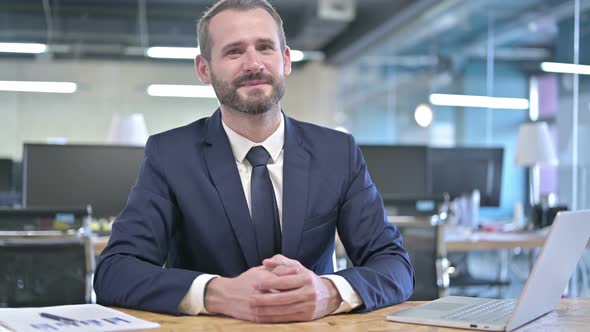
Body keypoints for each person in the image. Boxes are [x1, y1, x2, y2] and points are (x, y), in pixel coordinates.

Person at [94, 0, 414, 323]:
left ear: (285, 60)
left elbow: (394, 265)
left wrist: (328, 292)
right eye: (234, 51)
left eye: (265, 48)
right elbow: (114, 271)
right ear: (204, 69)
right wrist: (218, 293)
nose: (253, 64)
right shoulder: (169, 156)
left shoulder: (337, 153)